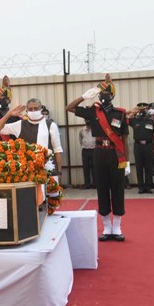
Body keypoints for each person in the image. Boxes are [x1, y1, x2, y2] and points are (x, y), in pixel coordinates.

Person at [66, 75, 128, 241]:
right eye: (101, 93)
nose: (103, 95)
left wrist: (126, 161)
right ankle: (107, 227)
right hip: (99, 153)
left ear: (112, 95)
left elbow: (124, 139)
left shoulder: (120, 113)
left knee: (118, 189)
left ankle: (117, 227)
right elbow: (69, 108)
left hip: (116, 154)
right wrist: (84, 96)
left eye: (106, 93)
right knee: (102, 188)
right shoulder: (93, 111)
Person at [0, 98, 63, 175]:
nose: (33, 111)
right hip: (26, 172)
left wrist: (59, 171)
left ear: (41, 109)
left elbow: (57, 150)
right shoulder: (20, 125)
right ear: (27, 110)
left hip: (48, 169)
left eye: (36, 108)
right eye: (30, 109)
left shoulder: (51, 125)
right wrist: (9, 114)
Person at [127, 102, 154, 194]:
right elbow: (126, 119)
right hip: (138, 146)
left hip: (148, 146)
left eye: (143, 110)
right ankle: (140, 187)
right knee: (139, 167)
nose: (142, 112)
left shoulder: (151, 121)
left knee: (148, 167)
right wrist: (133, 111)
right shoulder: (134, 121)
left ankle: (148, 187)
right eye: (140, 110)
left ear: (147, 110)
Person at [78, 123, 95, 189]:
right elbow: (80, 139)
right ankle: (87, 184)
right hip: (85, 150)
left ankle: (95, 184)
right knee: (86, 167)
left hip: (94, 150)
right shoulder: (82, 130)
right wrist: (83, 145)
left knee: (95, 167)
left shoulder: (95, 129)